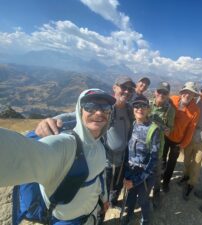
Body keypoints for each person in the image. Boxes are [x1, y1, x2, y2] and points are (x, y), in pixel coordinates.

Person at [0, 88, 115, 224]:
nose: (99, 112)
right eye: (90, 106)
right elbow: (17, 153)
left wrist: (104, 198)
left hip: (91, 216)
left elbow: (99, 176)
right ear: (79, 110)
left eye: (105, 107)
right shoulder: (65, 146)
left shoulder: (99, 144)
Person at [34, 76, 136, 208]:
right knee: (102, 188)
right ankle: (100, 212)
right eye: (123, 87)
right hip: (104, 159)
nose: (127, 91)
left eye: (130, 89)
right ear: (114, 87)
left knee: (116, 185)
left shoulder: (129, 109)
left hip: (121, 159)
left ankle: (113, 203)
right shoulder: (106, 107)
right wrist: (52, 120)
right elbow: (76, 114)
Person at [122, 95, 160, 225]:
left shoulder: (153, 129)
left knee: (143, 199)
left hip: (145, 176)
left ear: (148, 109)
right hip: (131, 171)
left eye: (143, 106)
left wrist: (137, 180)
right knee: (131, 196)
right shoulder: (132, 125)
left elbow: (154, 160)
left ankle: (145, 219)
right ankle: (129, 214)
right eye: (137, 106)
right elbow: (128, 152)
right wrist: (126, 175)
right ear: (133, 109)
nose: (140, 109)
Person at [178, 81, 202, 200]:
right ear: (199, 91)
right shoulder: (194, 102)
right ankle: (185, 176)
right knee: (186, 160)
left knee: (196, 163)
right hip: (190, 135)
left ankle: (191, 184)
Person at [161, 81, 200, 193]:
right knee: (161, 159)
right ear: (181, 92)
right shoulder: (172, 99)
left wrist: (183, 144)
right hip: (164, 136)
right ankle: (159, 177)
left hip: (178, 141)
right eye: (185, 92)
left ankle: (166, 183)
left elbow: (191, 129)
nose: (187, 95)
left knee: (172, 163)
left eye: (191, 93)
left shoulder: (195, 110)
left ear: (193, 96)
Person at [148, 81, 176, 208]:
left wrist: (160, 126)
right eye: (160, 91)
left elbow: (169, 130)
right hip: (144, 145)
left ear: (168, 95)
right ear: (155, 92)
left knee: (157, 171)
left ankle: (156, 193)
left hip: (158, 146)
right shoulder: (147, 104)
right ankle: (142, 192)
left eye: (165, 93)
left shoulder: (170, 110)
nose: (162, 94)